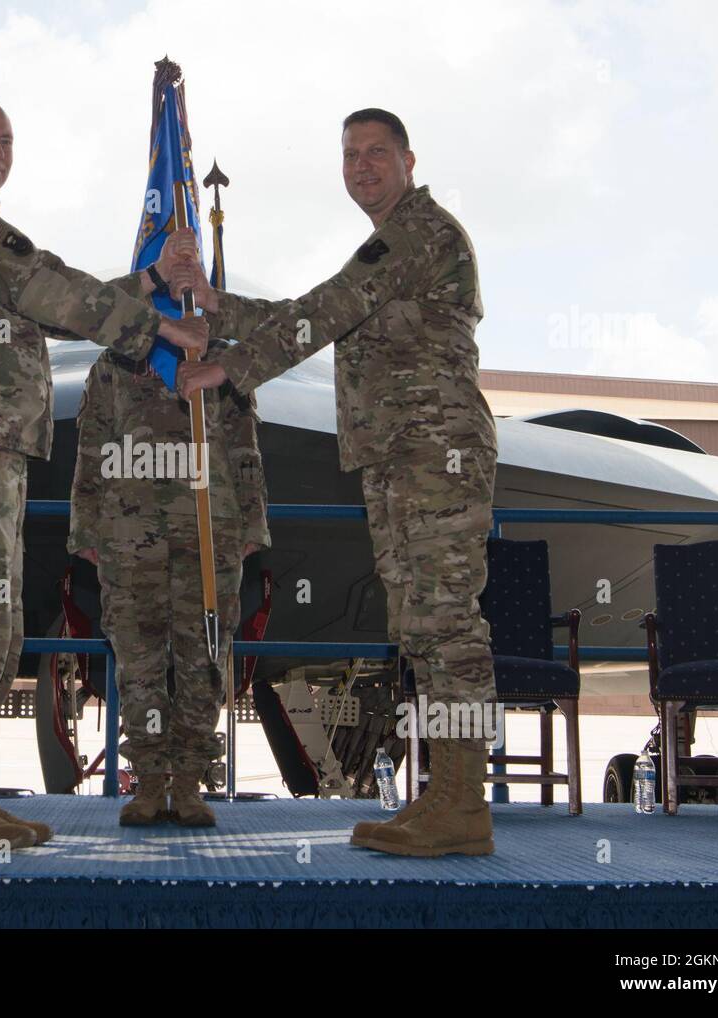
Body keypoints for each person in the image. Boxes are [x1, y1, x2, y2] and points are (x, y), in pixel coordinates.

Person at [174, 108, 497, 858]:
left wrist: (229, 366)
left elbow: (326, 310)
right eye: (350, 154)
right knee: (419, 628)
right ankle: (445, 795)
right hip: (398, 458)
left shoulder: (418, 232)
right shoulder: (385, 251)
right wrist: (223, 311)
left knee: (447, 627)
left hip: (434, 454)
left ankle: (463, 801)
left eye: (376, 152)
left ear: (409, 161)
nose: (362, 166)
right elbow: (323, 313)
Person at [0, 97, 208, 852]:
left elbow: (54, 296)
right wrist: (163, 321)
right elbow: (46, 287)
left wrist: (151, 278)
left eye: (6, 140)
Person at [69, 340, 269, 826]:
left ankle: (188, 785)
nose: (179, 267)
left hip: (209, 532)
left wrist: (251, 523)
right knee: (139, 664)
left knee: (204, 662)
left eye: (189, 260)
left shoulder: (223, 361)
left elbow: (245, 445)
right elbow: (92, 444)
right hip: (129, 532)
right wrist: (85, 527)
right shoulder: (115, 360)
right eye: (166, 260)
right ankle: (150, 783)